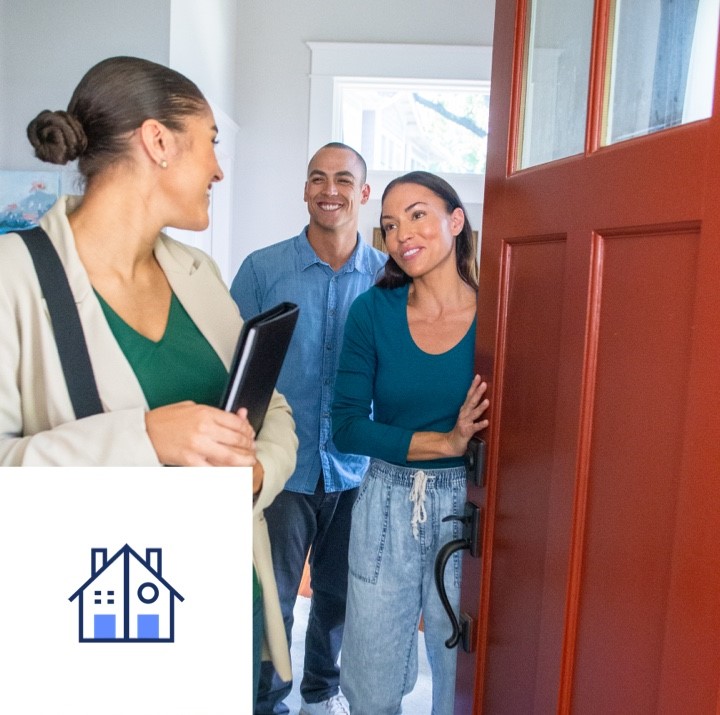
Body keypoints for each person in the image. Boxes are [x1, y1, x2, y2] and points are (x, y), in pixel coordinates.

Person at [0, 56, 297, 710]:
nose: (219, 168)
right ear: (158, 141)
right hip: (105, 632)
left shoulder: (199, 273)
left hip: (226, 611)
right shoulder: (12, 278)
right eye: (211, 141)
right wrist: (145, 437)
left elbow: (272, 411)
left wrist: (253, 475)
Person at [231, 142, 387, 715]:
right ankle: (264, 701)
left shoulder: (390, 278)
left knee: (339, 597)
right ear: (304, 190)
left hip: (358, 466)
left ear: (363, 193)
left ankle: (322, 694)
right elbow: (231, 364)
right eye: (318, 178)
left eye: (344, 180)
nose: (330, 190)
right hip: (281, 470)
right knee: (271, 598)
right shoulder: (262, 270)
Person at [331, 171, 490, 715]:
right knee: (370, 679)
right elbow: (346, 427)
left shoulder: (500, 314)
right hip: (384, 505)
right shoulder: (371, 312)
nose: (403, 234)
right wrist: (446, 440)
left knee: (459, 674)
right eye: (391, 224)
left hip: (467, 507)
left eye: (418, 214)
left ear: (456, 220)